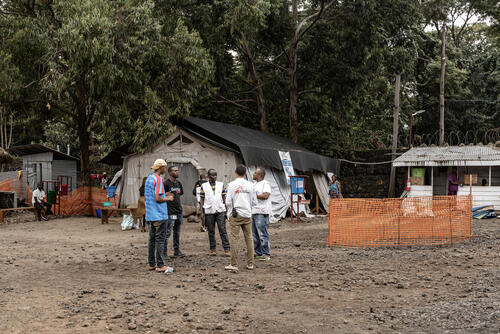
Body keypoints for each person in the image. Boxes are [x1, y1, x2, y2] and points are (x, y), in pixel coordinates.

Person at [144, 159, 173, 272]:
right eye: (165, 167)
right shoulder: (158, 179)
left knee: (152, 239)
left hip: (150, 214)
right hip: (159, 215)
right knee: (160, 239)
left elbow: (153, 195)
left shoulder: (149, 179)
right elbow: (158, 198)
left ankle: (152, 264)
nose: (165, 169)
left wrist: (163, 194)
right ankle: (160, 265)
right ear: (161, 167)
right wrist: (168, 198)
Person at [225, 165, 254, 272]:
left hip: (235, 215)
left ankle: (234, 264)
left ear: (235, 172)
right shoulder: (251, 185)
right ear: (245, 173)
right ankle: (250, 263)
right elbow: (254, 201)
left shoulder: (231, 185)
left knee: (234, 239)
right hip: (247, 214)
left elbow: (227, 202)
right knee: (249, 238)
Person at [200, 169, 230, 256]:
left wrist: (226, 209)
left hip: (220, 210)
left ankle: (227, 249)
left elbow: (224, 197)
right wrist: (202, 212)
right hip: (209, 210)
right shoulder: (204, 186)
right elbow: (202, 199)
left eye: (215, 175)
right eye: (212, 175)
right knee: (211, 231)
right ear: (208, 176)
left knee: (222, 229)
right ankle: (213, 249)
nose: (214, 177)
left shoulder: (221, 184)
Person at [164, 166, 185, 258]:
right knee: (167, 232)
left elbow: (179, 195)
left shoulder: (179, 183)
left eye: (178, 170)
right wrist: (166, 195)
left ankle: (176, 251)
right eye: (175, 170)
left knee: (177, 232)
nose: (177, 172)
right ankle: (164, 252)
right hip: (170, 212)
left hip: (178, 211)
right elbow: (160, 196)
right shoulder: (165, 184)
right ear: (170, 172)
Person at [251, 168, 272, 261]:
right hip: (254, 211)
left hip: (262, 212)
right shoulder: (254, 184)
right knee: (255, 234)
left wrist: (254, 196)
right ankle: (258, 253)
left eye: (255, 173)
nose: (253, 174)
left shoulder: (265, 184)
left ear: (260, 175)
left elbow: (266, 195)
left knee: (262, 234)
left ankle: (266, 254)